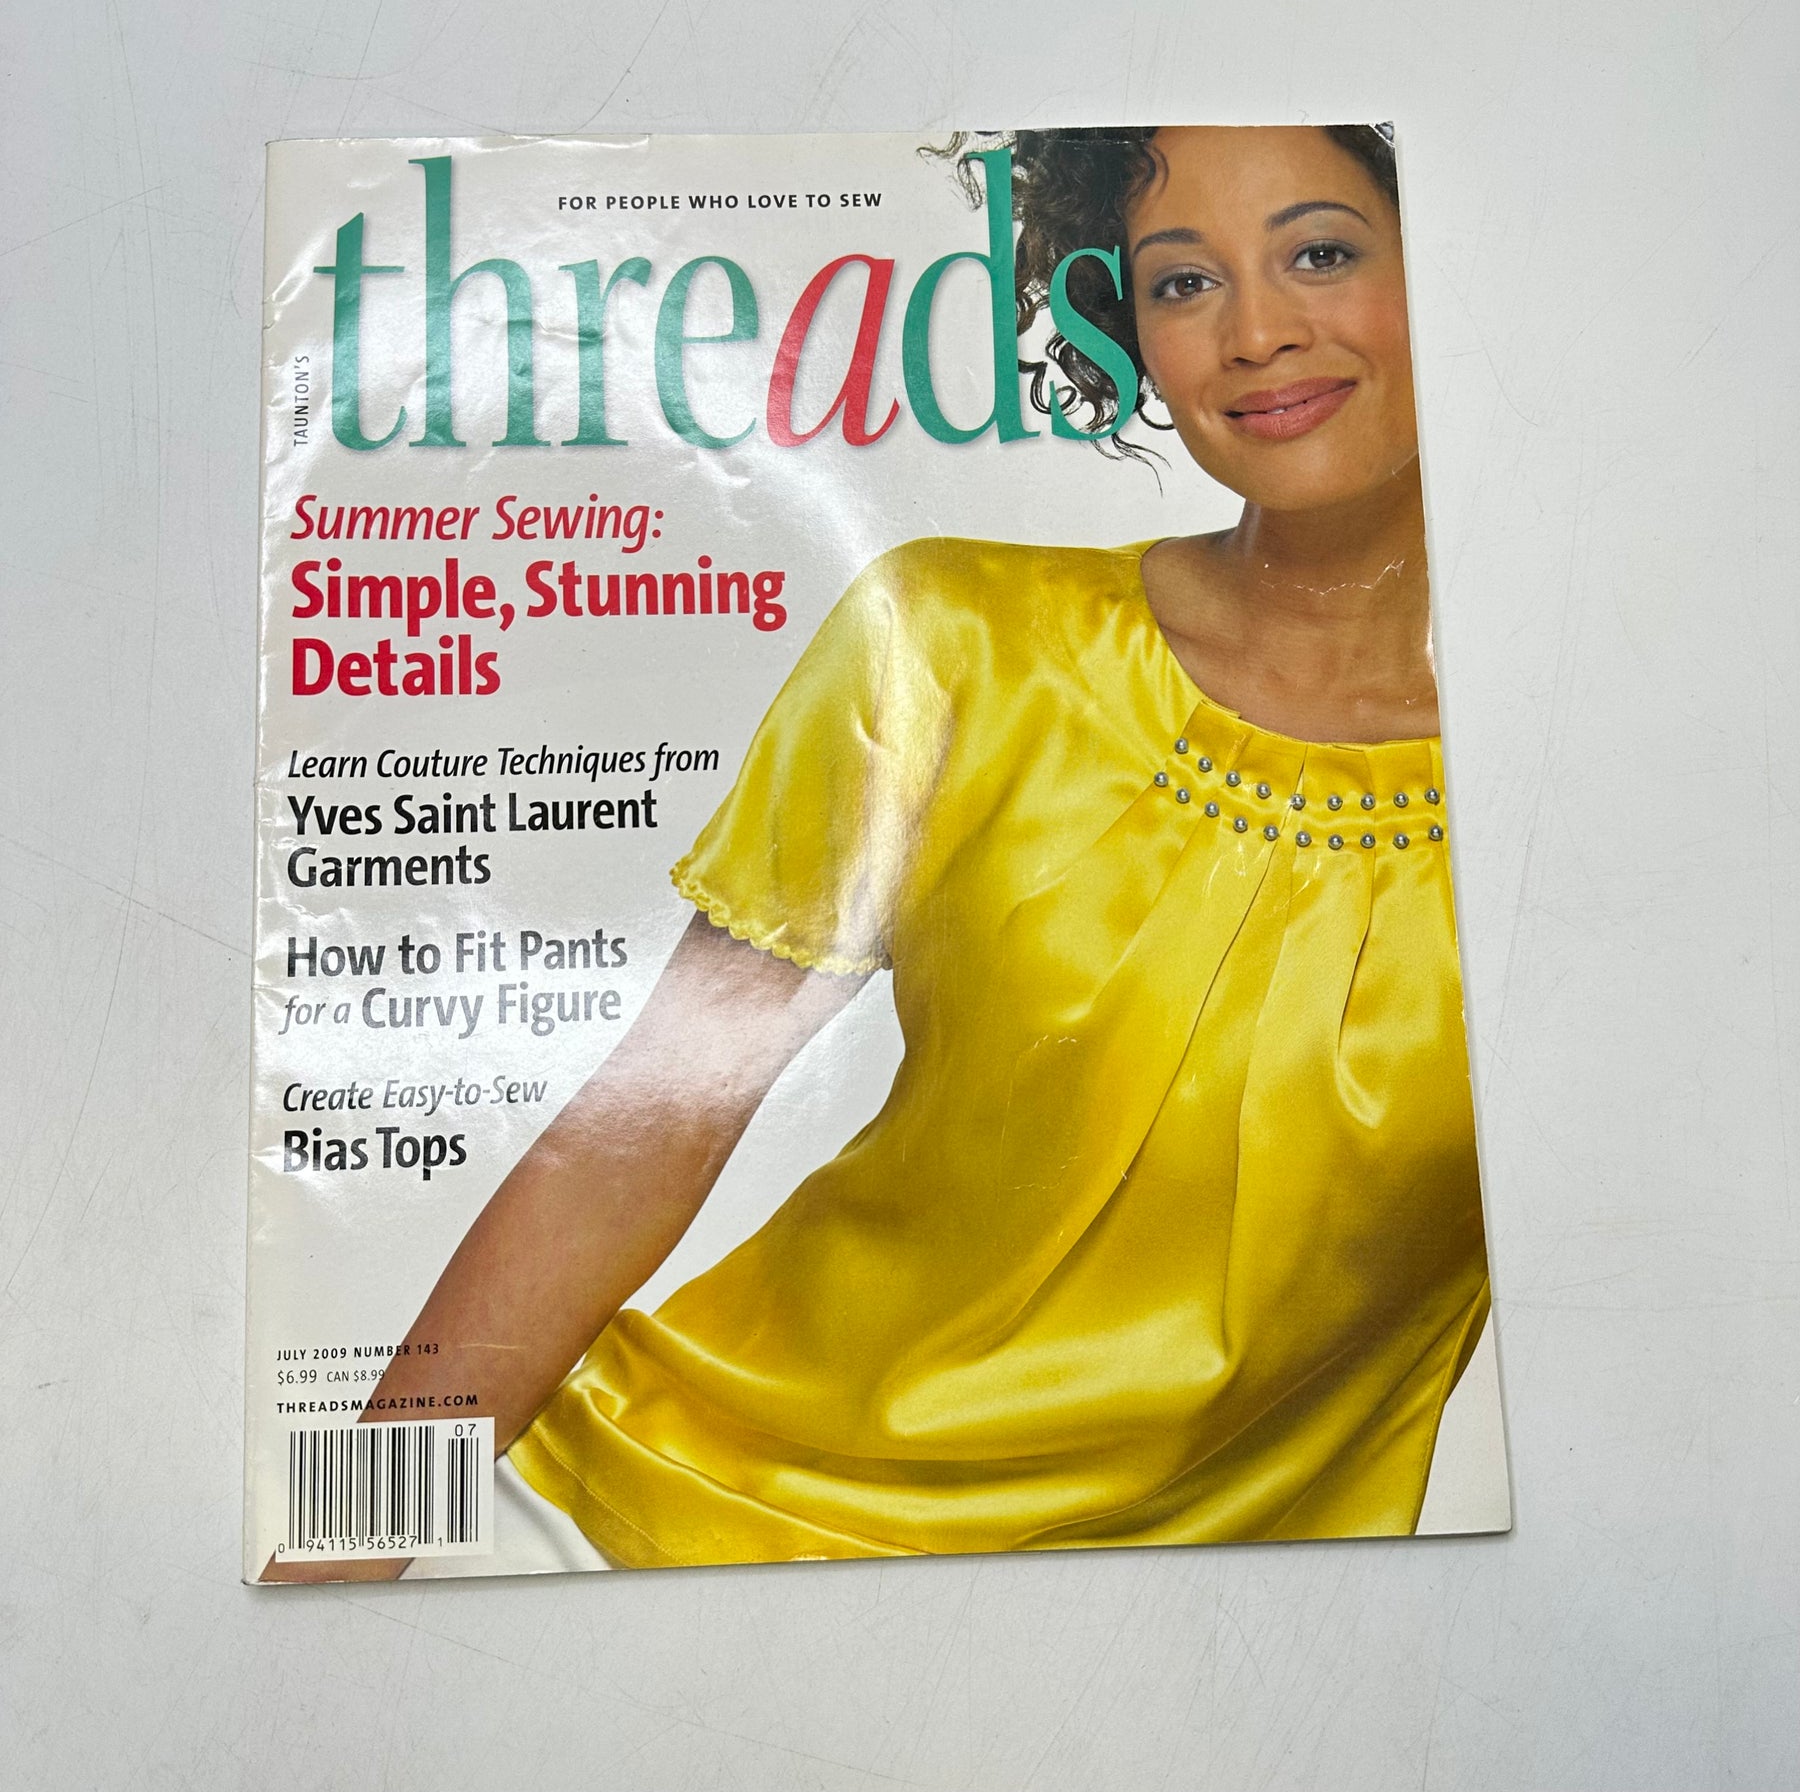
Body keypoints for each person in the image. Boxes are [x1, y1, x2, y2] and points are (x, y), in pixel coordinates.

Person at [278, 123, 1489, 1578]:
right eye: (1182, 283)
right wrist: (339, 1547)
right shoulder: (959, 646)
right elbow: (634, 1139)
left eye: (1322, 254)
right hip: (695, 1526)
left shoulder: (1596, 777)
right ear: (1123, 331)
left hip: (1238, 1620)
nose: (1258, 334)